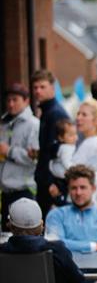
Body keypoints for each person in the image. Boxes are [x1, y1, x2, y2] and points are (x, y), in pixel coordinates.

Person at [0, 83, 39, 228]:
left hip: (24, 191)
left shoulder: (33, 124)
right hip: (5, 191)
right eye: (8, 100)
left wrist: (9, 151)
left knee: (24, 236)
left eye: (15, 99)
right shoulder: (3, 123)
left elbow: (34, 158)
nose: (11, 104)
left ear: (26, 101)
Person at [31, 69, 68, 216]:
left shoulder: (55, 113)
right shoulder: (47, 111)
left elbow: (60, 150)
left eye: (42, 87)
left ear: (52, 87)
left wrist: (55, 184)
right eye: (35, 87)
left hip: (51, 183)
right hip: (45, 180)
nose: (38, 91)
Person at [48, 119, 77, 206]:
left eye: (75, 134)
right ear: (61, 137)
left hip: (59, 177)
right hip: (62, 179)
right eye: (71, 135)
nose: (75, 137)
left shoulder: (65, 147)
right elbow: (66, 162)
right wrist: (77, 169)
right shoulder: (66, 148)